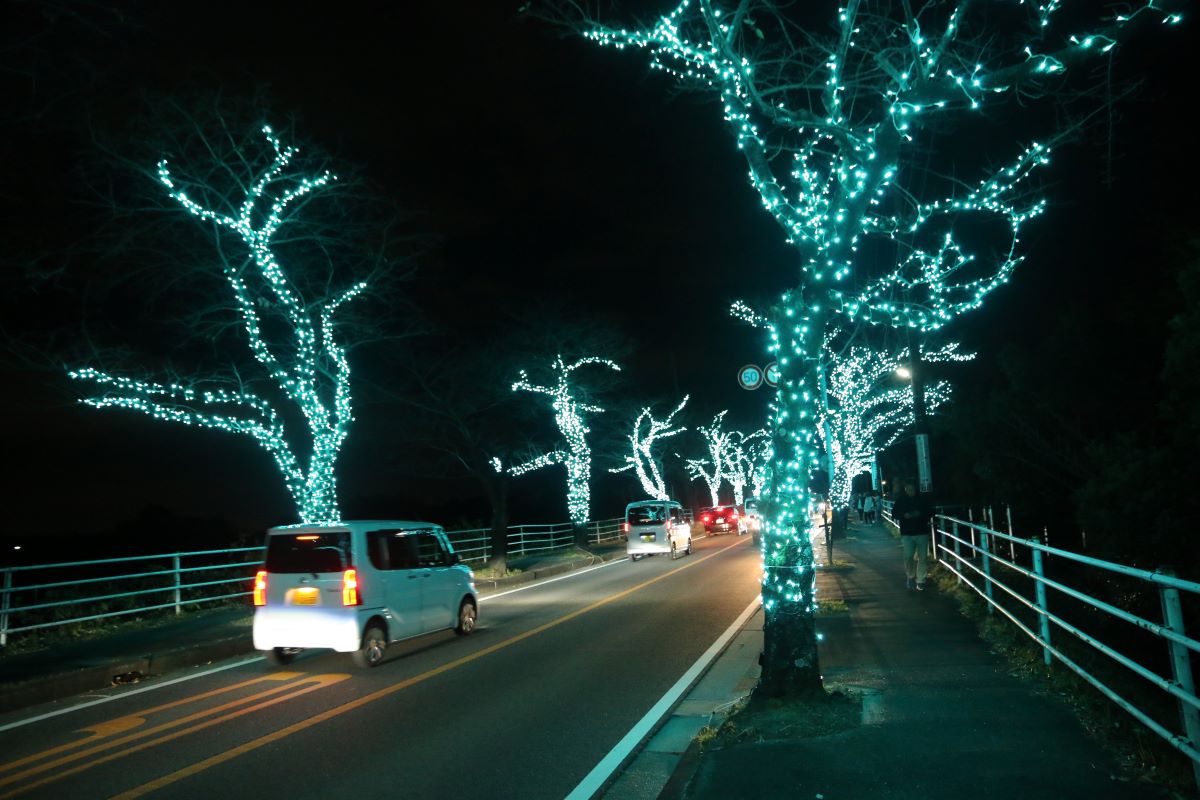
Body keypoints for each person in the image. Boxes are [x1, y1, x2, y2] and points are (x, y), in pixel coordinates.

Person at [892, 482, 933, 591]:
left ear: (915, 489)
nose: (911, 490)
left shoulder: (923, 500)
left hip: (922, 532)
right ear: (905, 489)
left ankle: (921, 580)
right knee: (908, 556)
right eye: (908, 488)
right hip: (907, 533)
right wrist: (904, 515)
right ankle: (910, 576)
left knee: (923, 557)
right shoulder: (901, 500)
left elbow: (931, 512)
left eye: (912, 488)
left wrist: (920, 514)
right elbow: (894, 514)